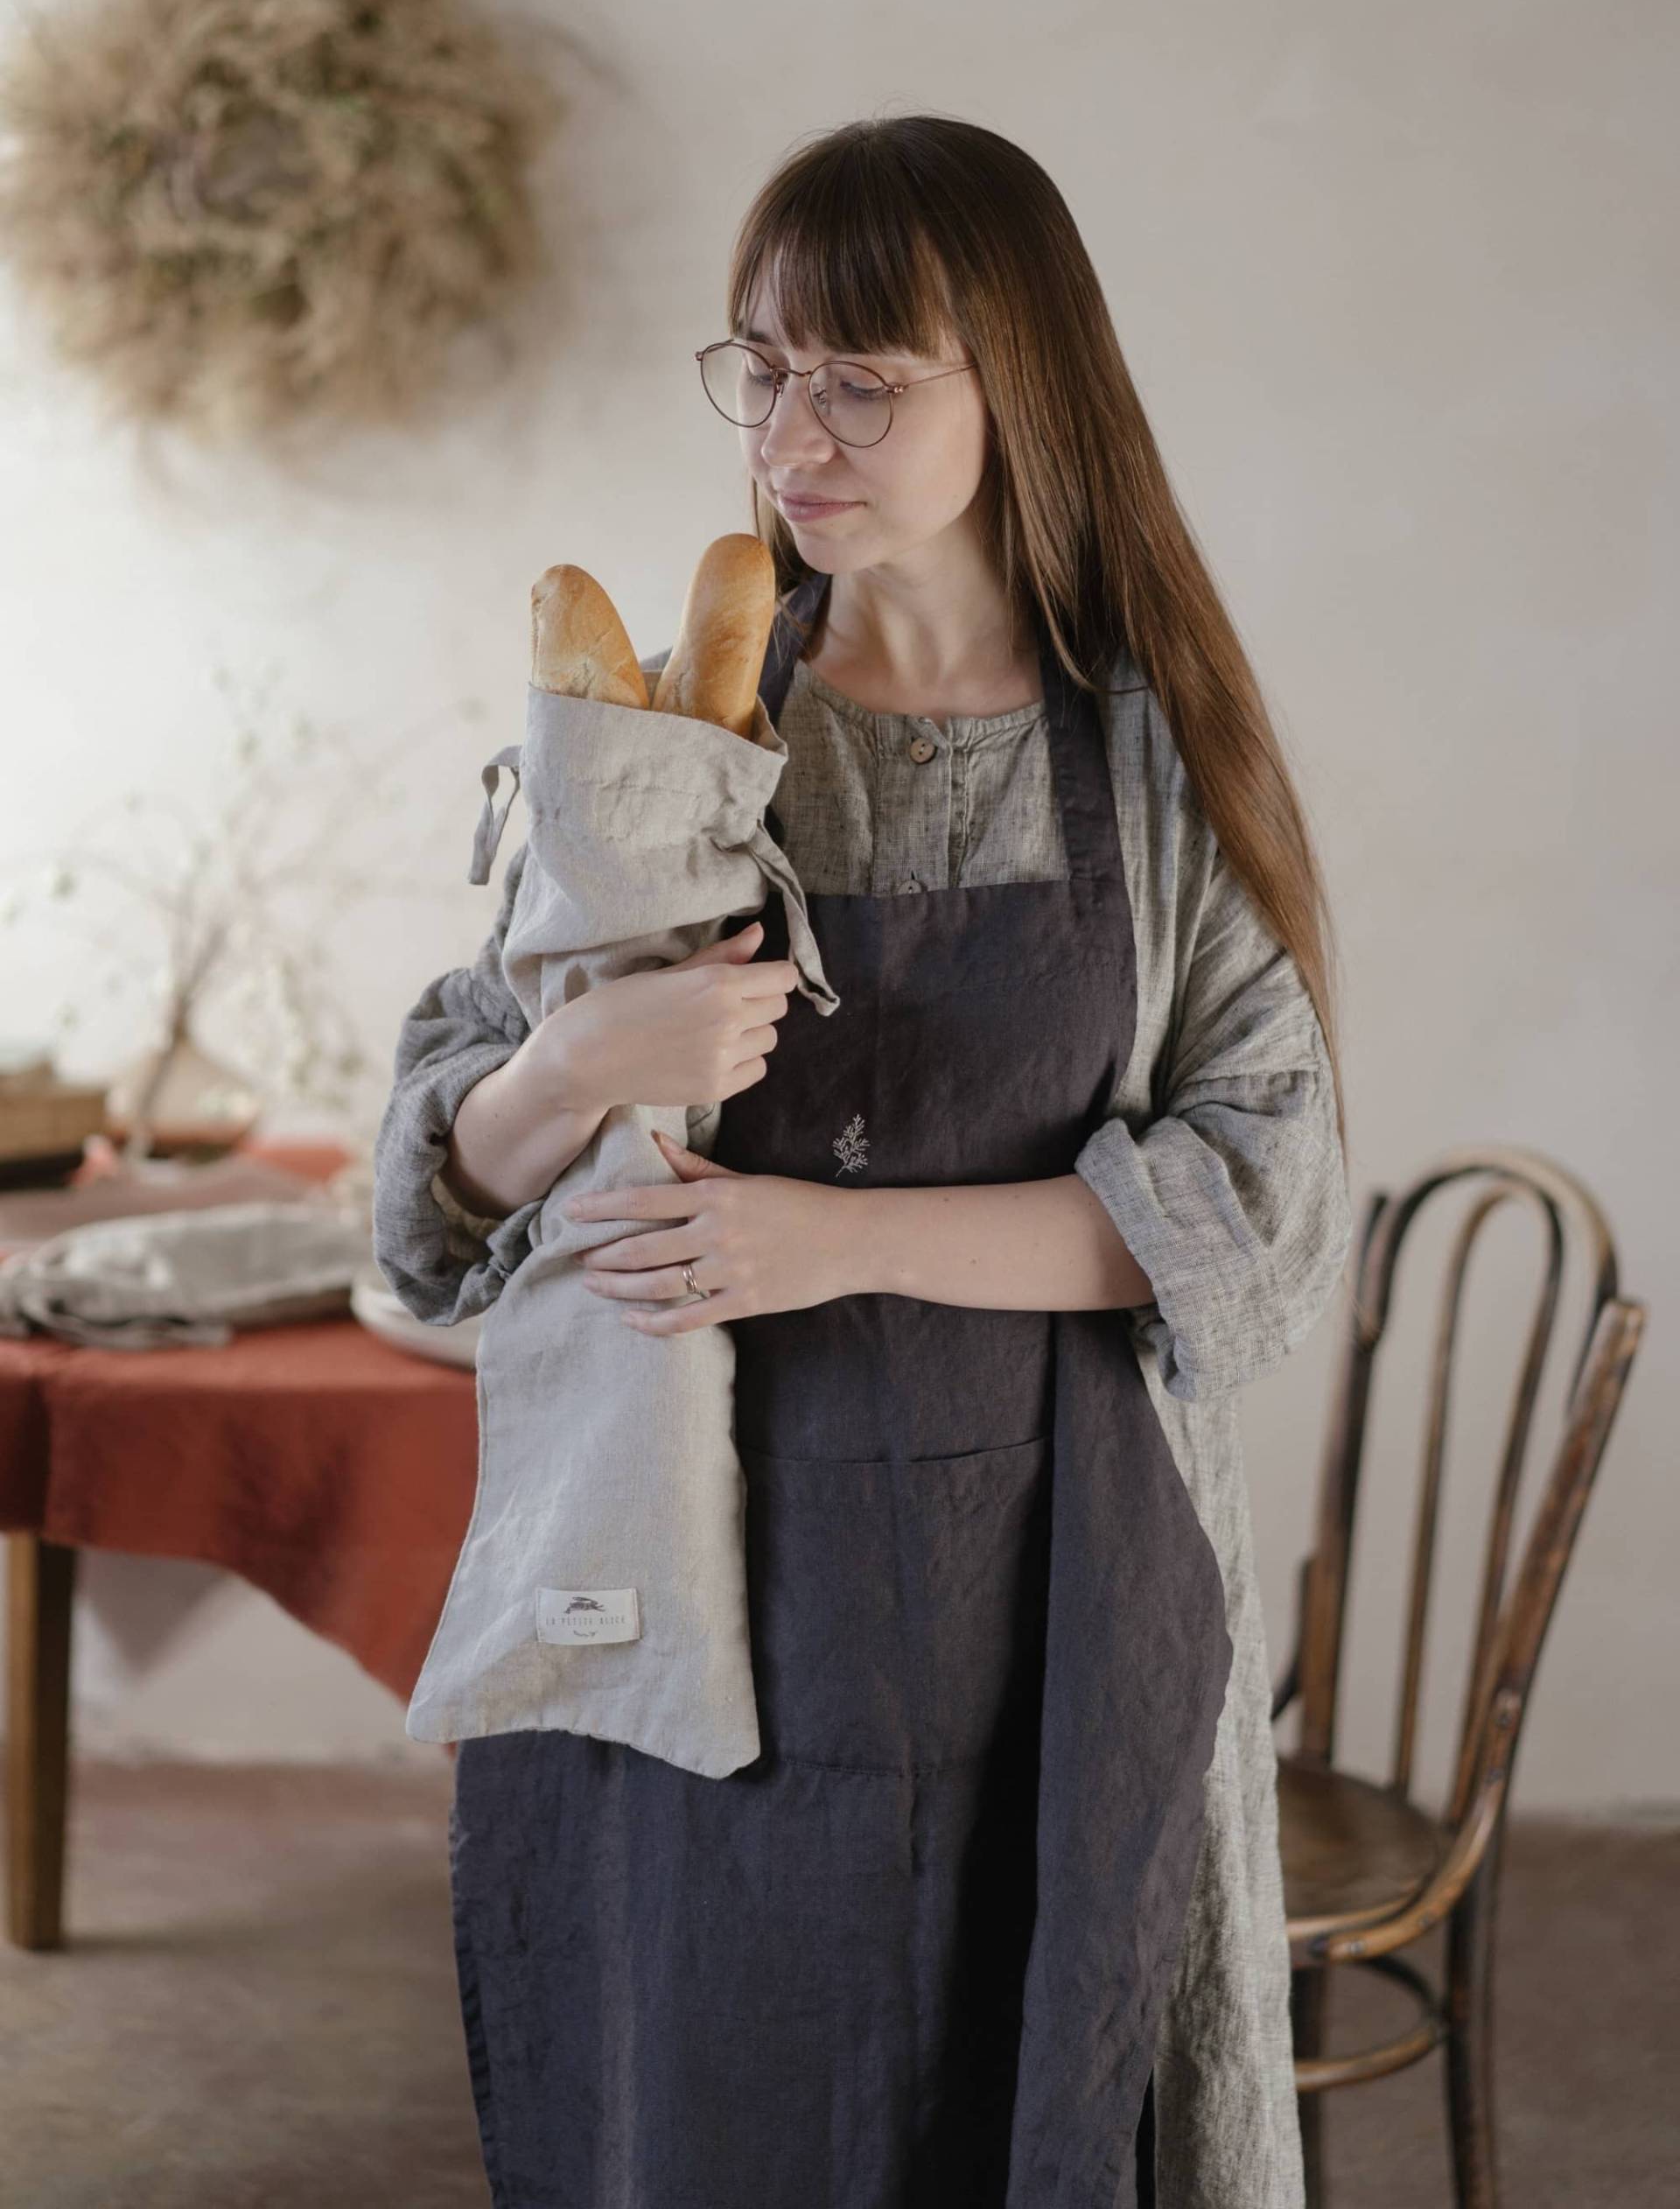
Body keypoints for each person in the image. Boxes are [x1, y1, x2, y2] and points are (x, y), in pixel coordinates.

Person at [372, 113, 1353, 2209]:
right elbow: (428, 1219)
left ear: (1023, 385)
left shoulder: (1161, 760)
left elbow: (1261, 1212)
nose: (789, 434)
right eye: (761, 368)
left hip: (1065, 1593)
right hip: (702, 1561)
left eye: (861, 380)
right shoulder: (662, 748)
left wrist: (832, 1236)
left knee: (1045, 2097)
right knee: (719, 2103)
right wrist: (572, 1058)